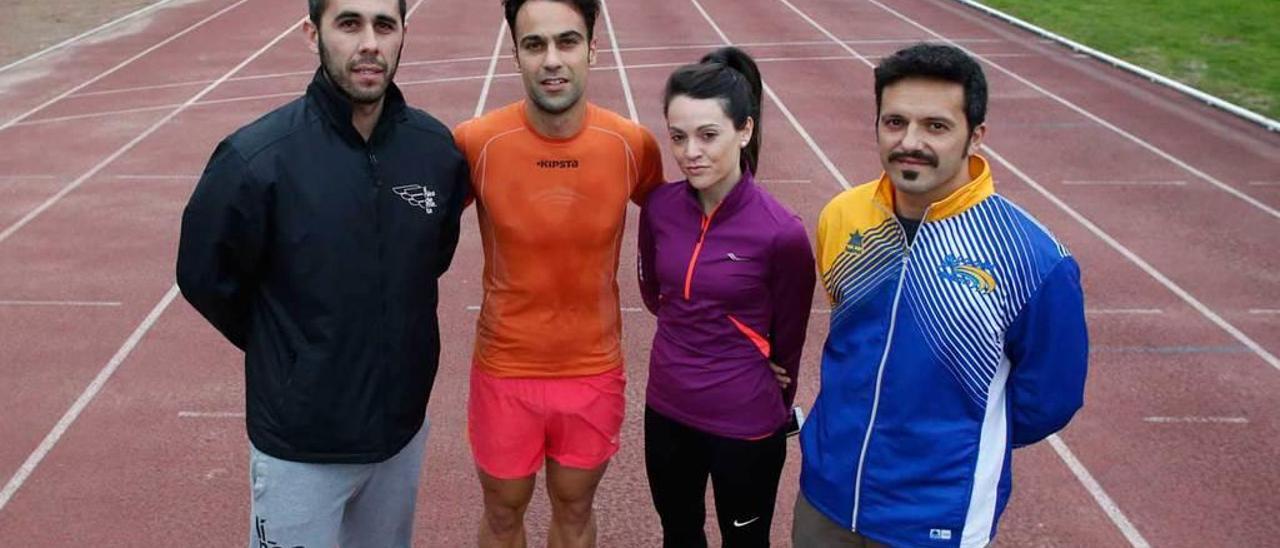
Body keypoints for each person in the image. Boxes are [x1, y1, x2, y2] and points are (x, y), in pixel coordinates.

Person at [175, 0, 468, 545]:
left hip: (399, 436)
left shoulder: (434, 153)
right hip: (300, 447)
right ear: (313, 33)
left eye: (384, 25)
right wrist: (291, 354)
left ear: (404, 33)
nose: (369, 44)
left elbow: (432, 255)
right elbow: (203, 276)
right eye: (348, 23)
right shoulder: (256, 159)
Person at [794, 43, 1089, 548]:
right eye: (894, 122)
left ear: (976, 136)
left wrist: (953, 441)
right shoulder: (842, 216)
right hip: (827, 496)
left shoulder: (1034, 259)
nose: (911, 141)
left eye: (936, 126)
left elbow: (1049, 401)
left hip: (937, 518)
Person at [449, 0, 663, 546]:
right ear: (515, 53)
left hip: (592, 369)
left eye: (567, 42)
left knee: (574, 508)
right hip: (505, 367)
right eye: (534, 44)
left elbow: (681, 224)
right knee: (502, 513)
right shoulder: (476, 143)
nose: (551, 60)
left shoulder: (631, 145)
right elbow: (414, 229)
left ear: (592, 48)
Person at [637, 47, 815, 547]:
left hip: (745, 422)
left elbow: (789, 341)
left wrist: (757, 370)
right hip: (667, 408)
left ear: (745, 131)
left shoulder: (781, 234)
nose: (691, 151)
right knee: (679, 535)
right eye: (678, 136)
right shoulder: (659, 208)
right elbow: (655, 293)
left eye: (708, 135)